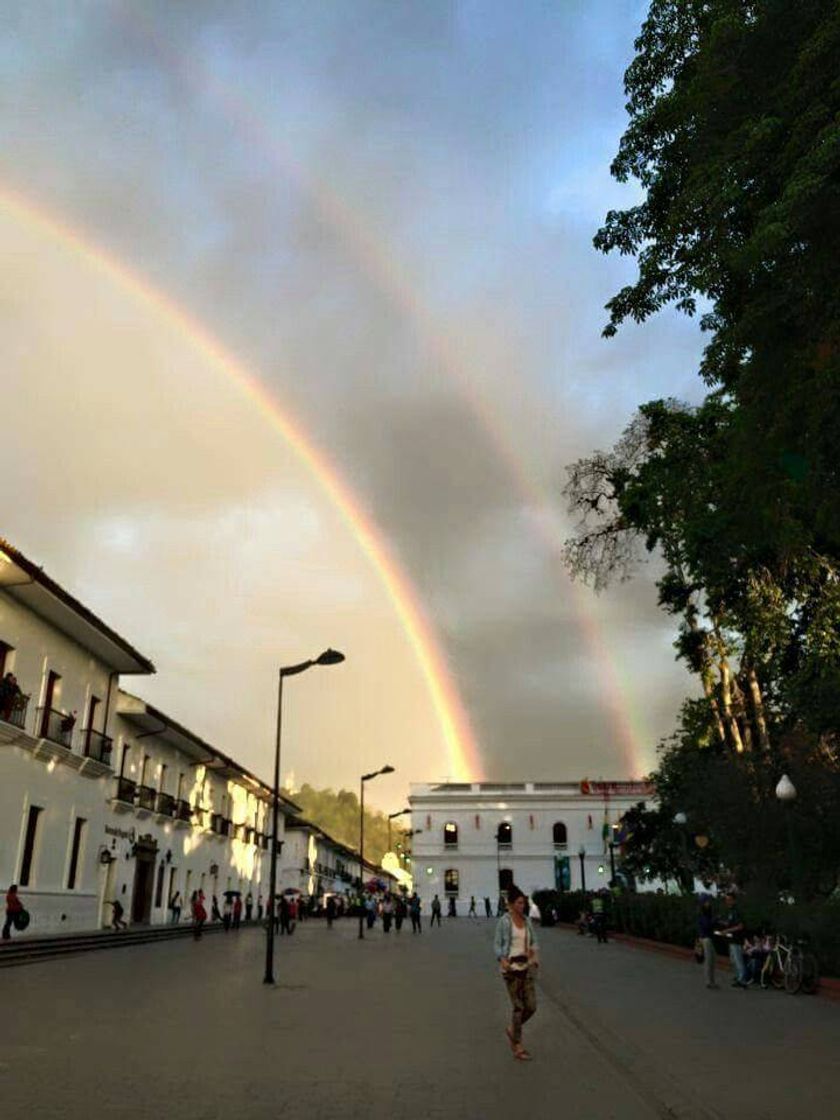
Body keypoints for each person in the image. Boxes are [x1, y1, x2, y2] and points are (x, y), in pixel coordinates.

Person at [494, 884, 539, 1061]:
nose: (522, 906)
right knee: (519, 1007)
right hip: (511, 970)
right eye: (519, 903)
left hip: (526, 967)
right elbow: (497, 944)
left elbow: (534, 941)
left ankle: (513, 1029)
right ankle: (517, 1045)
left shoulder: (527, 921)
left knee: (532, 1006)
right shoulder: (504, 922)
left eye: (524, 903)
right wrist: (503, 960)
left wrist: (535, 956)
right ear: (511, 905)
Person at [717, 892, 748, 988]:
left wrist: (727, 930)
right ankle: (738, 976)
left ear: (734, 900)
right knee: (733, 960)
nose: (727, 902)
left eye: (729, 900)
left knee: (738, 960)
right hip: (731, 939)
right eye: (726, 900)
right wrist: (722, 923)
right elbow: (731, 923)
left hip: (737, 939)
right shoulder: (730, 911)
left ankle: (742, 980)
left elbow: (740, 926)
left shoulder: (736, 911)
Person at [698, 896, 718, 989]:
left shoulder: (708, 914)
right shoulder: (703, 915)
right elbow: (707, 925)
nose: (708, 904)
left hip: (709, 937)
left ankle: (711, 980)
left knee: (712, 959)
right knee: (709, 960)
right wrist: (714, 920)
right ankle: (709, 981)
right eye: (707, 902)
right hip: (706, 938)